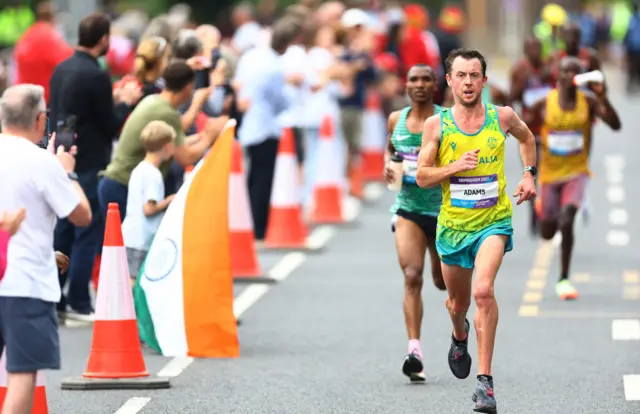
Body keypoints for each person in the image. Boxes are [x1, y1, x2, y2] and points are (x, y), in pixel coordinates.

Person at [416, 48, 537, 413]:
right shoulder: (437, 125)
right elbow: (422, 176)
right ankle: (459, 333)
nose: (468, 82)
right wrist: (452, 167)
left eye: (475, 75)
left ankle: (484, 384)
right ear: (449, 81)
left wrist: (530, 174)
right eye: (461, 76)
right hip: (452, 228)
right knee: (458, 303)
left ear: (484, 80)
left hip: (493, 221)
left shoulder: (502, 117)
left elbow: (528, 139)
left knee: (483, 291)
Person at [0, 84, 91, 414]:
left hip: (10, 268)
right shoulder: (43, 162)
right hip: (25, 283)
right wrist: (69, 172)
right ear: (41, 120)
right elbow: (81, 215)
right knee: (22, 374)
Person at [49, 12, 141, 323]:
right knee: (87, 230)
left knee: (62, 225)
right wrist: (125, 102)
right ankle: (79, 299)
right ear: (103, 39)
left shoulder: (61, 68)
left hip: (62, 155)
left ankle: (55, 295)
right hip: (89, 160)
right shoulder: (97, 75)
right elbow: (111, 123)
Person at [525, 57, 621, 301]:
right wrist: (533, 146)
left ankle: (564, 277)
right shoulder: (544, 104)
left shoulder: (587, 101)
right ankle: (545, 214)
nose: (569, 75)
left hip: (577, 172)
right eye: (564, 71)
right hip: (549, 174)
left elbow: (616, 125)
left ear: (579, 77)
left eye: (574, 71)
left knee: (567, 219)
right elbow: (520, 129)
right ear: (558, 76)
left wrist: (603, 96)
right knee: (547, 231)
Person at [99, 61, 226, 219]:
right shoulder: (166, 112)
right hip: (123, 186)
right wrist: (209, 137)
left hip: (116, 183)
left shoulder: (154, 101)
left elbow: (175, 136)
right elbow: (185, 157)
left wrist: (199, 136)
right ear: (188, 88)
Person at [384, 64, 445, 382]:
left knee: (442, 282)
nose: (419, 84)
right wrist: (389, 168)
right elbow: (392, 152)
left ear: (435, 85)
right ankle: (414, 351)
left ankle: (459, 338)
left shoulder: (446, 120)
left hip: (444, 212)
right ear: (405, 85)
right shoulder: (396, 119)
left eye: (425, 79)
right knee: (412, 276)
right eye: (413, 79)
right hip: (408, 209)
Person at [233, 18, 302, 240]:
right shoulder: (274, 68)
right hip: (266, 127)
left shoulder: (252, 57)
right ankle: (259, 225)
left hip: (250, 124)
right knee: (263, 179)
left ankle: (251, 221)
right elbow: (281, 101)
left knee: (253, 177)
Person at [122, 121, 176, 286]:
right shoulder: (153, 174)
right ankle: (129, 312)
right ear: (166, 147)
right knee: (135, 282)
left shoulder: (140, 169)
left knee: (130, 279)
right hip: (141, 238)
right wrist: (170, 200)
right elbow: (149, 208)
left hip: (131, 234)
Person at [509, 37, 554, 235]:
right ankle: (534, 211)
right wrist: (523, 81)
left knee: (547, 173)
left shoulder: (551, 68)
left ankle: (547, 211)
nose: (534, 52)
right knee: (530, 173)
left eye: (537, 48)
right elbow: (512, 98)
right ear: (525, 51)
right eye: (530, 49)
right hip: (528, 130)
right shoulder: (519, 70)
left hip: (550, 128)